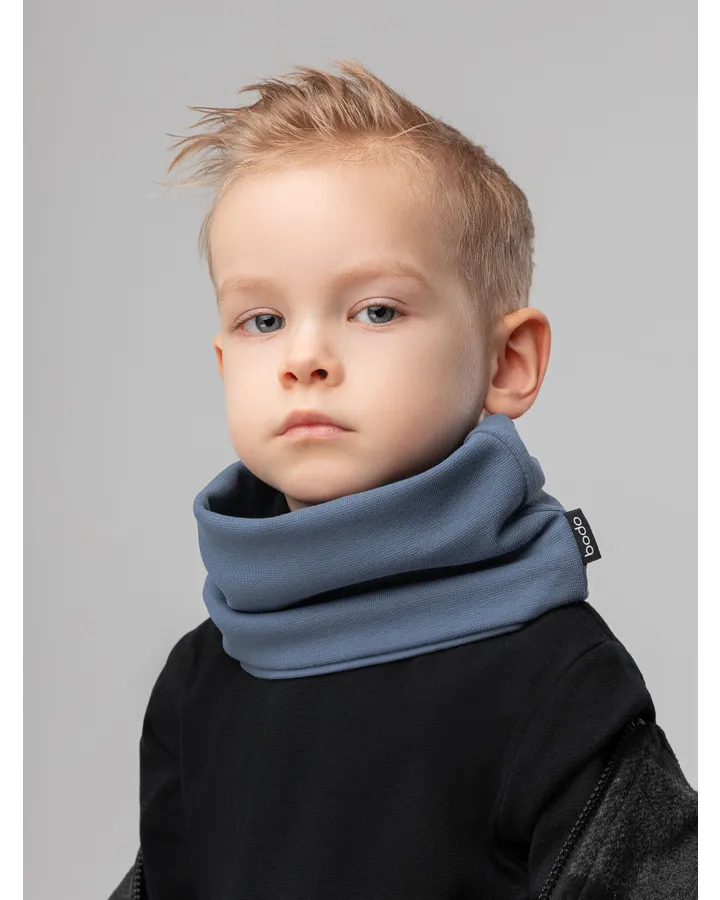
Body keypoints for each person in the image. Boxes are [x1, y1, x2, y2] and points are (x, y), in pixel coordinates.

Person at [110, 60, 696, 899]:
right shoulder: (199, 678)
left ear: (508, 361)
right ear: (223, 362)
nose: (304, 357)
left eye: (376, 310)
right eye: (262, 320)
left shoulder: (556, 679)